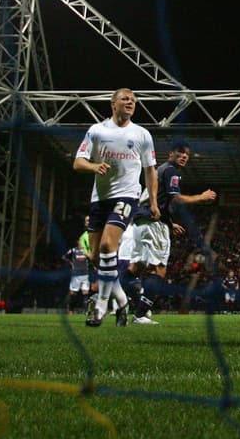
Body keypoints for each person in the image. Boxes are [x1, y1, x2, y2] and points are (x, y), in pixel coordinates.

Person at [73, 88, 158, 327]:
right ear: (113, 104)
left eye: (133, 100)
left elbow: (150, 170)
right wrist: (94, 167)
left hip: (127, 195)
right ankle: (121, 300)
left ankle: (100, 306)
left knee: (109, 245)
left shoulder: (142, 134)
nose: (130, 102)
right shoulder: (97, 131)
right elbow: (78, 162)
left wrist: (152, 201)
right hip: (99, 198)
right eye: (125, 99)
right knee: (98, 258)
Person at [118, 140, 216, 325]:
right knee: (159, 269)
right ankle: (140, 314)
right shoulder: (171, 171)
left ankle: (120, 300)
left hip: (140, 222)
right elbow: (176, 199)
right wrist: (201, 197)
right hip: (154, 224)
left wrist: (169, 223)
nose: (184, 156)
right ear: (170, 154)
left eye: (186, 154)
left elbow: (157, 199)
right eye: (180, 153)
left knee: (135, 267)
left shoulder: (159, 170)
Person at [64, 227, 93, 313]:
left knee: (85, 292)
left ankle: (86, 310)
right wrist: (71, 264)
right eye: (79, 241)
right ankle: (70, 309)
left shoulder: (87, 252)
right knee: (73, 292)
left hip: (85, 273)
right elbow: (65, 257)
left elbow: (91, 260)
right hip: (76, 274)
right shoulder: (74, 250)